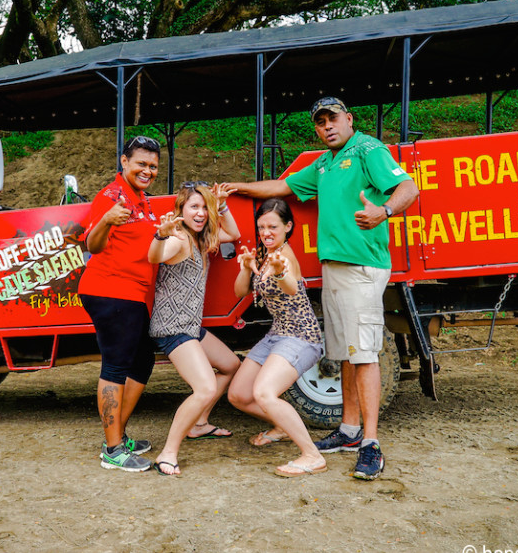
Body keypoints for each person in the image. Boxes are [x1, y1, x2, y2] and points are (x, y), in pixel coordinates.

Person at [228, 97, 419, 480]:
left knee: (363, 354)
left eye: (333, 118)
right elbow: (283, 186)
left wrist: (383, 211)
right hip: (335, 268)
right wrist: (239, 187)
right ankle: (348, 430)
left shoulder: (367, 148)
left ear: (349, 119)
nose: (327, 125)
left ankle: (370, 443)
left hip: (362, 266)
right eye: (320, 122)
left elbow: (408, 188)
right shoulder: (325, 163)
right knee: (346, 353)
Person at [79, 135, 163, 472]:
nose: (148, 170)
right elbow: (92, 244)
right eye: (141, 163)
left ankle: (119, 435)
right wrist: (105, 220)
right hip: (110, 290)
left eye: (153, 166)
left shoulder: (141, 199)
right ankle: (113, 449)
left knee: (142, 360)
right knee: (115, 365)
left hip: (134, 293)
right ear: (124, 162)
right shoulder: (111, 197)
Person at [228, 198, 328, 477]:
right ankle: (282, 426)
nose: (266, 232)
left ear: (288, 227)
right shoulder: (264, 253)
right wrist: (246, 267)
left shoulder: (285, 257)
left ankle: (312, 455)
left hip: (301, 336)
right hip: (277, 334)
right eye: (261, 227)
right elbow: (239, 293)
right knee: (238, 395)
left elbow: (292, 288)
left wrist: (282, 271)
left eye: (273, 226)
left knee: (263, 393)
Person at [147, 182, 241, 476]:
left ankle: (199, 424)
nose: (200, 213)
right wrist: (160, 235)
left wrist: (222, 206)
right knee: (204, 387)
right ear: (181, 211)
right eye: (194, 207)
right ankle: (168, 453)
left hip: (191, 325)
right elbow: (155, 256)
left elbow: (234, 235)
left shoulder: (202, 239)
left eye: (204, 207)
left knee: (230, 365)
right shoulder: (180, 240)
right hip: (173, 327)